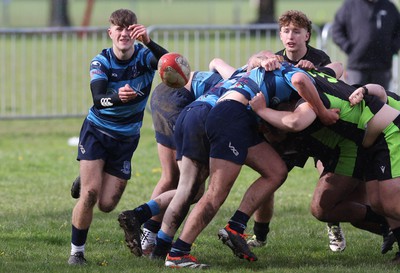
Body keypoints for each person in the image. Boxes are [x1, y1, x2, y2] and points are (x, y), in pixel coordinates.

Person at [163, 58, 339, 268]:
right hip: (231, 116)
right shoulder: (303, 75)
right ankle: (178, 253)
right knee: (216, 193)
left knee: (276, 171)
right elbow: (302, 80)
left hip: (235, 117)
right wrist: (324, 112)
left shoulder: (276, 66)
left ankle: (235, 227)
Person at [249, 66, 400, 263]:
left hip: (387, 130)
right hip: (371, 142)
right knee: (379, 204)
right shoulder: (316, 77)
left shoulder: (308, 102)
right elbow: (334, 68)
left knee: (389, 202)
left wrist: (261, 109)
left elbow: (295, 121)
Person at [67, 9, 168, 265]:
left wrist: (148, 41)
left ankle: (89, 173)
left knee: (107, 204)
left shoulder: (145, 57)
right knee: (89, 195)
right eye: (118, 29)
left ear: (135, 31)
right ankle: (76, 253)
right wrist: (116, 97)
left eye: (129, 29)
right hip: (97, 132)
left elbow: (173, 64)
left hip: (126, 139)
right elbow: (98, 99)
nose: (124, 34)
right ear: (110, 32)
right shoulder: (101, 61)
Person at [248, 9, 347, 253]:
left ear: (307, 36)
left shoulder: (319, 57)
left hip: (317, 130)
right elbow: (252, 61)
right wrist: (262, 61)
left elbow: (339, 72)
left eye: (296, 31)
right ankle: (260, 235)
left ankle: (332, 225)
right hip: (285, 132)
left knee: (326, 172)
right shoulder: (275, 59)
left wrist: (316, 71)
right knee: (269, 178)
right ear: (281, 35)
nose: (291, 36)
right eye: (286, 31)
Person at [117, 59, 233, 258]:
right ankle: (148, 228)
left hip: (164, 93)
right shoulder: (247, 83)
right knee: (193, 190)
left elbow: (214, 61)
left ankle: (147, 234)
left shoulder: (233, 73)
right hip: (179, 99)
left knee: (170, 177)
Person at [331, 0, 400, 90]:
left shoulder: (389, 7)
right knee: (356, 99)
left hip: (382, 67)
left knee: (381, 100)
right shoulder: (350, 5)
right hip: (357, 67)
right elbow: (336, 30)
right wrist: (348, 48)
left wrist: (392, 48)